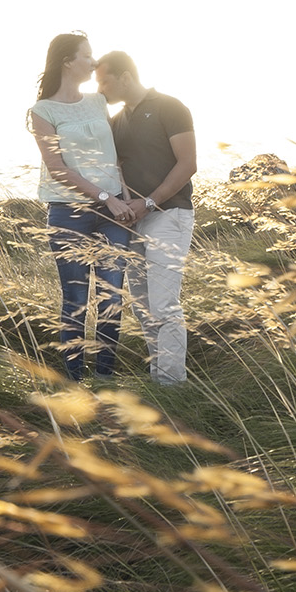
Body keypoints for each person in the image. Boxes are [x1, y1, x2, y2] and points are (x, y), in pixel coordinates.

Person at [28, 32, 130, 381]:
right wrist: (106, 198)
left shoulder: (99, 102)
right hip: (69, 212)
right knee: (75, 300)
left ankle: (104, 378)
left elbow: (116, 154)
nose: (93, 61)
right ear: (68, 61)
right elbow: (57, 168)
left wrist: (124, 197)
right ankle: (74, 382)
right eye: (86, 55)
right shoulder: (42, 111)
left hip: (114, 213)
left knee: (111, 297)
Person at [94, 51, 196, 385]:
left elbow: (187, 163)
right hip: (132, 222)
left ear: (125, 77)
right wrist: (124, 204)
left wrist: (149, 203)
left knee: (165, 305)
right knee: (143, 307)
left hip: (170, 215)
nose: (100, 88)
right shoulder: (116, 121)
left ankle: (172, 386)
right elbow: (116, 169)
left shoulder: (170, 107)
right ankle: (161, 382)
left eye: (104, 80)